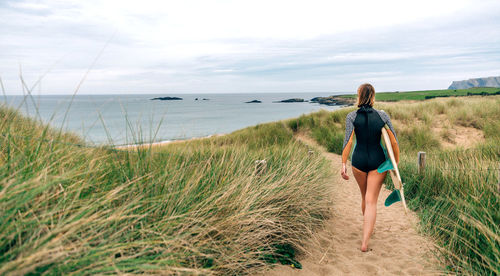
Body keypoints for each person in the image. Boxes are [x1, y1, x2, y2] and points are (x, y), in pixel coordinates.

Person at [340, 83, 399, 252]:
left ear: (359, 96)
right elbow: (393, 140)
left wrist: (343, 164)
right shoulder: (382, 115)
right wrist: (395, 163)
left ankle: (367, 227)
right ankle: (365, 241)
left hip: (358, 162)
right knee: (371, 200)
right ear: (373, 96)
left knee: (364, 197)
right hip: (377, 162)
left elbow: (348, 141)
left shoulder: (351, 116)